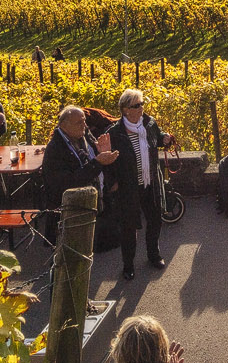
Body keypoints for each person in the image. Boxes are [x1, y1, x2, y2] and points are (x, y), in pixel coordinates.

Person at [103, 89, 174, 280]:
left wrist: (164, 139)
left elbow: (156, 139)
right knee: (129, 228)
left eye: (142, 103)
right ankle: (128, 265)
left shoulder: (149, 124)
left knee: (155, 221)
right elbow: (106, 161)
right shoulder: (114, 133)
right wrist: (113, 183)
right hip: (128, 188)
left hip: (150, 184)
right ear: (125, 110)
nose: (141, 107)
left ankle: (154, 255)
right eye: (137, 105)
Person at [41, 106, 112, 242]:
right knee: (68, 257)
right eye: (79, 122)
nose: (84, 126)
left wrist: (102, 153)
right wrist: (98, 162)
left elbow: (94, 159)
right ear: (64, 125)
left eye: (84, 121)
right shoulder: (55, 149)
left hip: (89, 207)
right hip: (68, 215)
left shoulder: (83, 135)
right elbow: (68, 183)